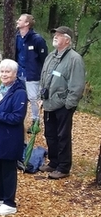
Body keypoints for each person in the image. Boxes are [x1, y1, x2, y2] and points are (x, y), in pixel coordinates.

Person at [38, 26, 86, 179]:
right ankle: (53, 162)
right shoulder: (51, 56)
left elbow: (77, 85)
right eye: (55, 34)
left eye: (59, 35)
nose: (56, 36)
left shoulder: (74, 59)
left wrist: (69, 105)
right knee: (50, 134)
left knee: (62, 135)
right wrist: (42, 96)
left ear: (67, 39)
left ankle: (63, 167)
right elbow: (44, 77)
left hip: (63, 105)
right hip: (49, 103)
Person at [0, 59, 27, 216]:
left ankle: (10, 202)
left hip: (9, 138)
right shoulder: (0, 89)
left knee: (8, 169)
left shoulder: (19, 92)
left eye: (8, 72)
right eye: (2, 71)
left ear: (15, 74)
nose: (4, 74)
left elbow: (17, 117)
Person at [15, 13, 47, 127]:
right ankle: (19, 118)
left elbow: (44, 59)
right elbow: (16, 54)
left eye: (20, 20)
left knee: (33, 98)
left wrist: (42, 75)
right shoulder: (17, 36)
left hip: (32, 74)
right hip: (19, 73)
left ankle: (35, 121)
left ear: (27, 23)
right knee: (19, 96)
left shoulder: (37, 39)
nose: (17, 21)